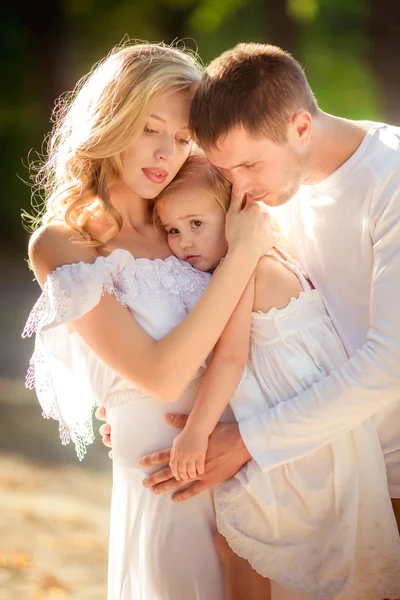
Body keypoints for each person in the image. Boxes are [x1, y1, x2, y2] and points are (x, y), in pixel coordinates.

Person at [22, 42, 275, 600]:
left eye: (183, 138)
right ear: (113, 118)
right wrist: (241, 256)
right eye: (150, 128)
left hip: (247, 460)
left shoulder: (188, 220)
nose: (166, 153)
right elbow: (159, 377)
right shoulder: (67, 244)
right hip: (165, 480)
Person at [150, 152, 400, 599]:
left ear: (234, 215)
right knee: (252, 548)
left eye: (196, 224)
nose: (184, 242)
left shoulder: (247, 268)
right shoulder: (271, 254)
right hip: (319, 435)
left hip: (305, 442)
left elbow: (229, 360)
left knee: (241, 541)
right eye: (172, 230)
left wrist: (196, 431)